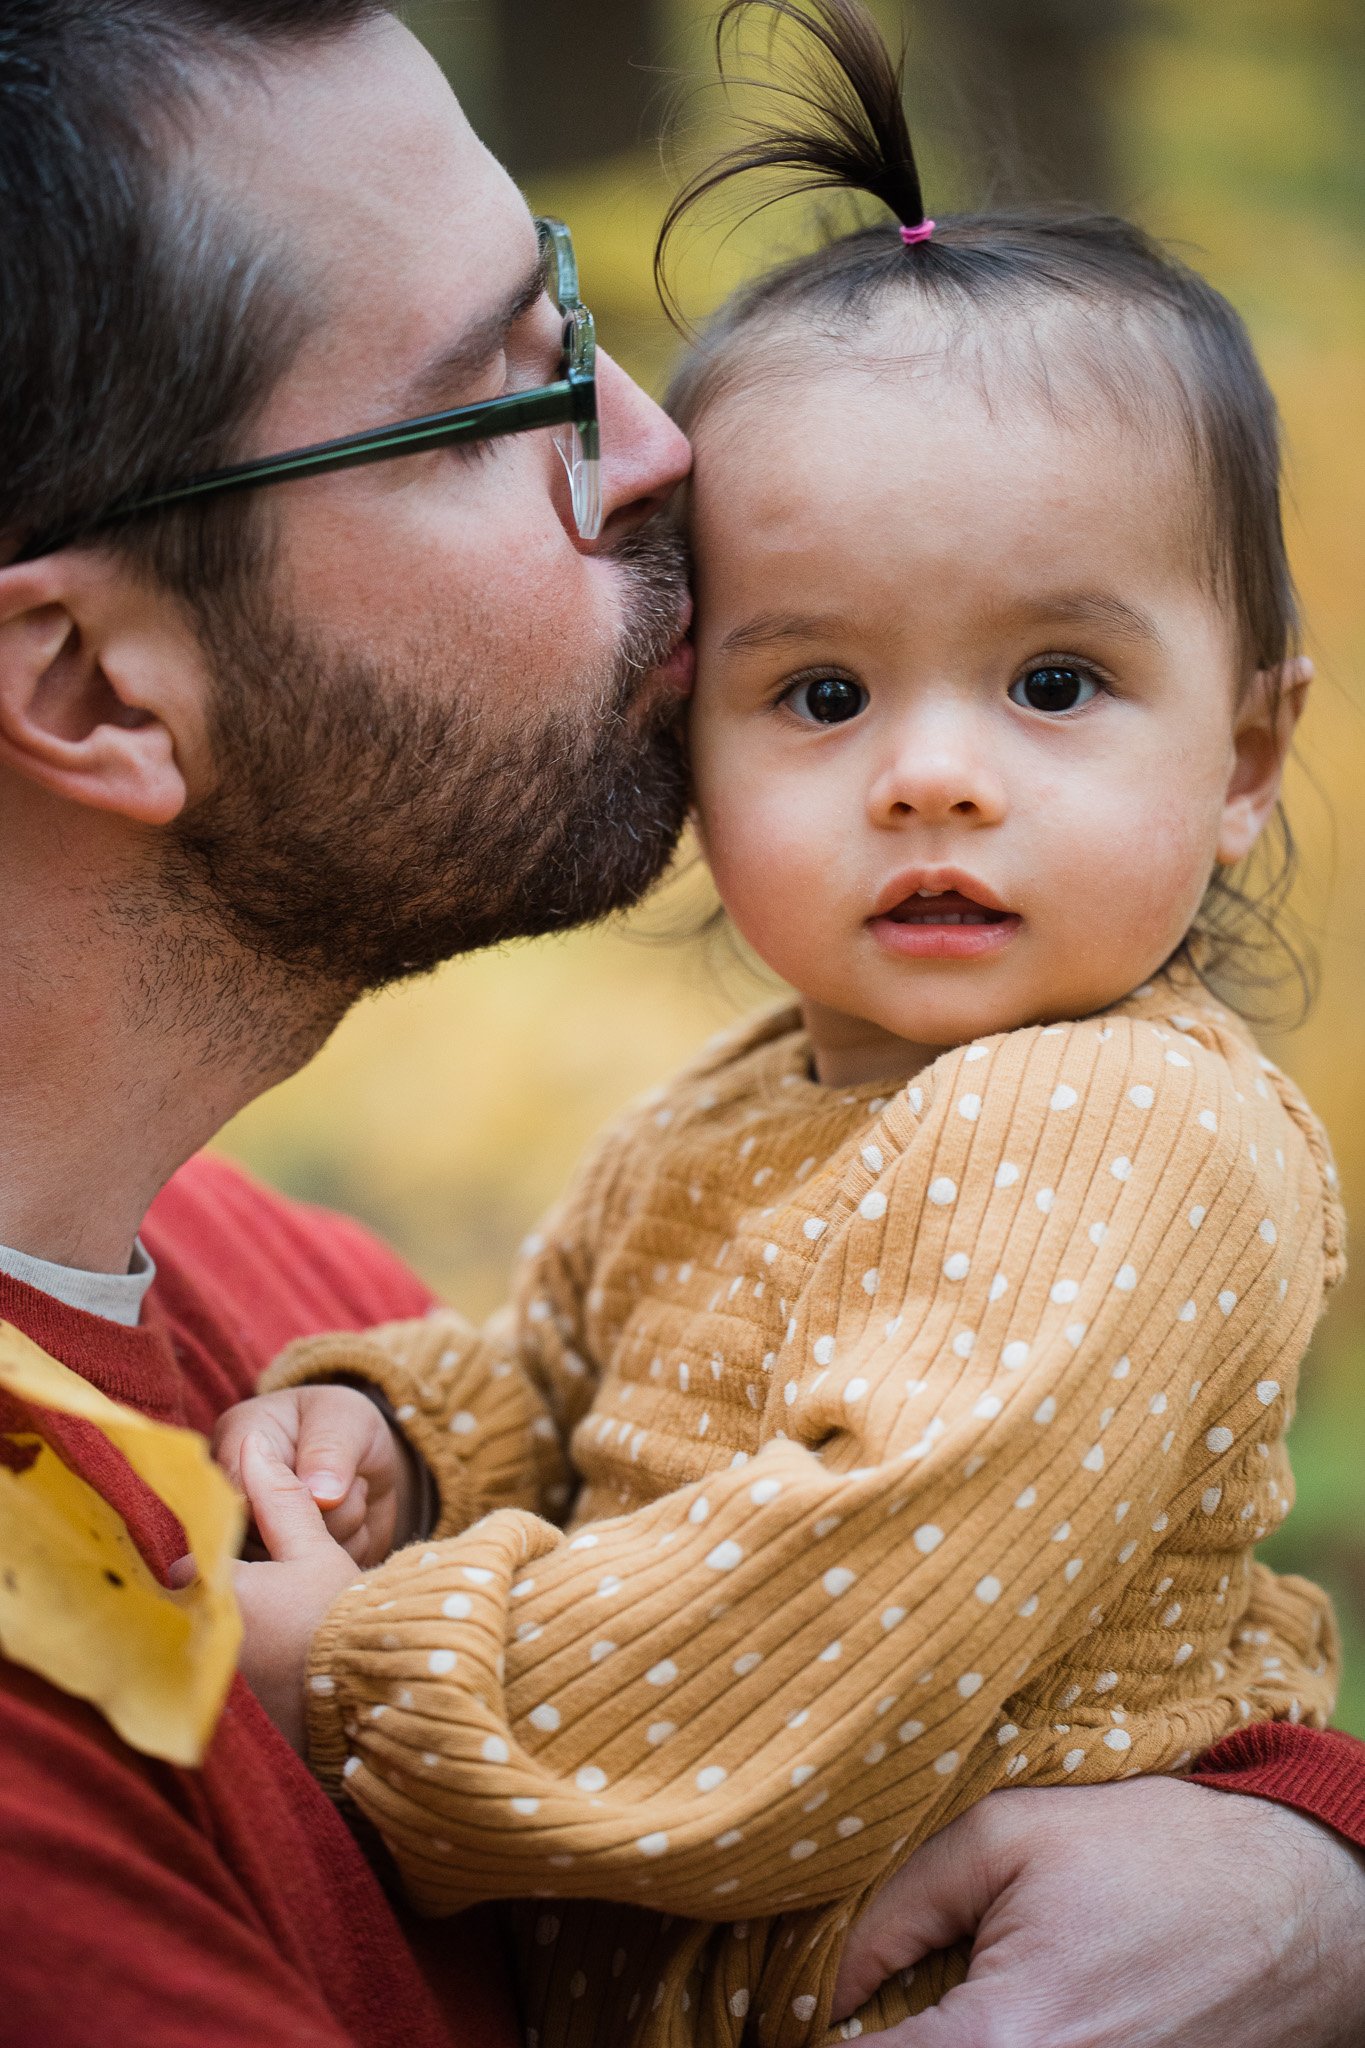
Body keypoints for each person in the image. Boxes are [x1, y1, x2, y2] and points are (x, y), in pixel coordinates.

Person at [0, 4, 1361, 2048]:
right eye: (499, 395)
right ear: (100, 685)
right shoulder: (54, 1722)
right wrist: (406, 1439)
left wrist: (1301, 1865)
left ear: (1252, 744)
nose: (657, 453)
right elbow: (570, 1381)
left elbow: (854, 1582)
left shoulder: (254, 1278)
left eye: (1053, 682)